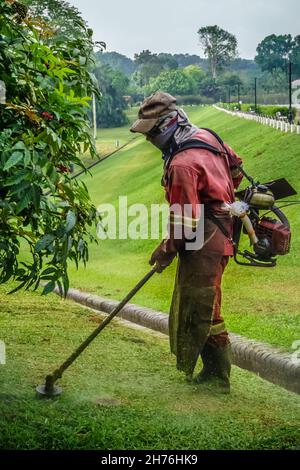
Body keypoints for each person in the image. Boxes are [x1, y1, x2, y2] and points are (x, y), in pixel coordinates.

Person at [130, 92, 243, 393]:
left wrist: (165, 251)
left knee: (203, 307)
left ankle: (218, 377)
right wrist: (219, 195)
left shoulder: (182, 163)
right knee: (203, 303)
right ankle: (212, 371)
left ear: (167, 125)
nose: (148, 140)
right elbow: (236, 169)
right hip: (222, 232)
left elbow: (184, 222)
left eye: (151, 133)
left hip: (205, 240)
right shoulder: (208, 137)